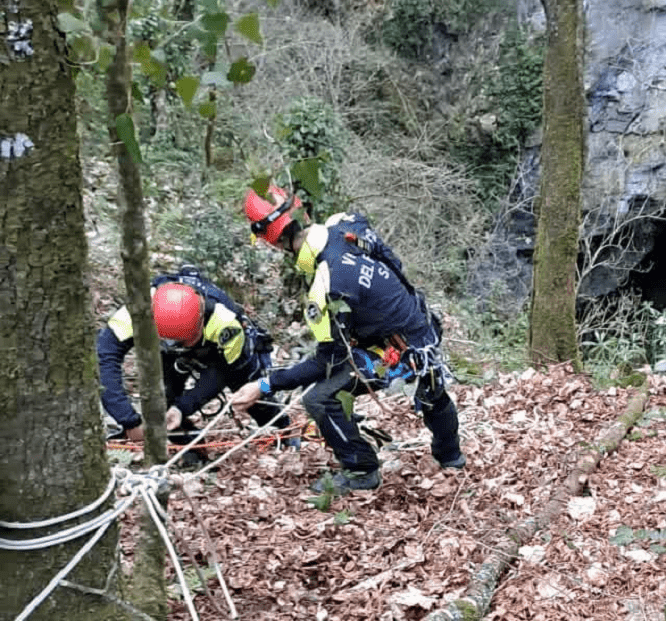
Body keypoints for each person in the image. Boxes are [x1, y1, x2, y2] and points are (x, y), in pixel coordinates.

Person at [233, 185, 464, 495]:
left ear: (274, 244)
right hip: (418, 323)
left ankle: (361, 468)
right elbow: (386, 258)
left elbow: (327, 361)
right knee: (433, 393)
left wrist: (264, 385)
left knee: (318, 397)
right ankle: (452, 458)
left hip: (397, 351)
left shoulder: (325, 288)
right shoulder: (346, 224)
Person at [97, 267, 290, 452]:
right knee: (164, 399)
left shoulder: (225, 323)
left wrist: (184, 406)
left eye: (183, 342)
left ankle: (286, 432)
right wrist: (128, 420)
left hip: (219, 353)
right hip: (165, 350)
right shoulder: (138, 309)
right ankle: (192, 452)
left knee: (252, 390)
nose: (180, 347)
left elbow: (222, 374)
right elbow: (104, 359)